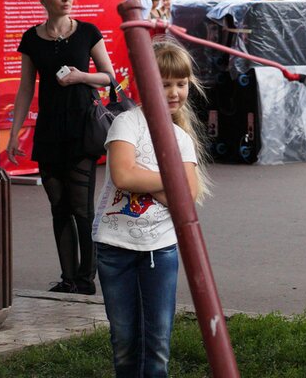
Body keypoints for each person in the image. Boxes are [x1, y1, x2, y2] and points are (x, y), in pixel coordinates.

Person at [93, 39, 210, 378]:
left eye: (181, 83)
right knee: (126, 341)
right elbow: (124, 175)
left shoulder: (181, 138)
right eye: (165, 84)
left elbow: (186, 198)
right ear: (145, 84)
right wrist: (168, 183)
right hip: (115, 248)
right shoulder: (127, 123)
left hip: (161, 250)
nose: (174, 92)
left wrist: (157, 184)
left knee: (157, 344)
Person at [6, 0, 114, 295]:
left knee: (82, 208)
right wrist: (14, 134)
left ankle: (86, 279)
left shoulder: (87, 32)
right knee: (59, 207)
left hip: (82, 125)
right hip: (50, 128)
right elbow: (25, 89)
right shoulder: (31, 38)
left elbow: (109, 77)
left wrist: (82, 76)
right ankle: (68, 278)